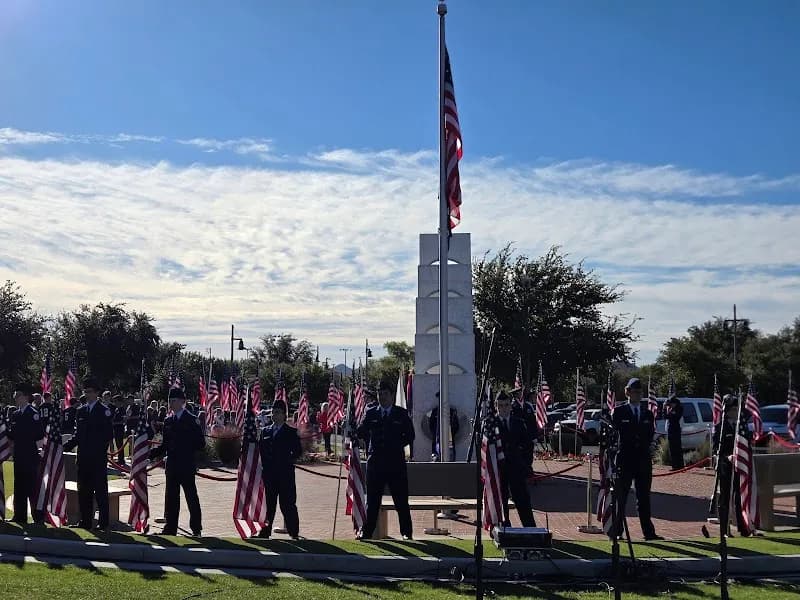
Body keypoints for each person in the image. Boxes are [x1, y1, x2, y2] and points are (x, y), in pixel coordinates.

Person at [356, 385, 415, 540]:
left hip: (395, 463)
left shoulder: (400, 414)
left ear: (392, 395)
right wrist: (350, 427)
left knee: (401, 500)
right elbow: (361, 431)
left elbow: (410, 436)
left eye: (385, 394)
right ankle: (367, 532)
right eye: (380, 394)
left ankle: (406, 533)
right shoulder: (371, 413)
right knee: (373, 501)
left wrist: (394, 445)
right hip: (375, 463)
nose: (382, 397)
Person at [149, 388, 205, 536]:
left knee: (191, 498)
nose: (171, 404)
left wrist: (186, 447)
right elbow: (165, 445)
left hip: (186, 464)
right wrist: (152, 453)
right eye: (170, 401)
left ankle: (196, 529)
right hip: (172, 465)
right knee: (171, 499)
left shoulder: (192, 419)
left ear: (182, 402)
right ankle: (170, 528)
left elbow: (201, 443)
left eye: (174, 401)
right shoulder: (168, 421)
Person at [611, 378, 662, 540]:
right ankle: (617, 531)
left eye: (640, 393)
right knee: (621, 497)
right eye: (634, 392)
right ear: (627, 392)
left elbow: (649, 435)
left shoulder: (647, 413)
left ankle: (649, 533)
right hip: (625, 459)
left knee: (644, 498)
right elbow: (615, 437)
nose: (638, 395)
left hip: (642, 460)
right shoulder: (619, 412)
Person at [63, 378, 114, 531]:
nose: (87, 394)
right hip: (83, 459)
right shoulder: (81, 411)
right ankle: (85, 520)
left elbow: (107, 435)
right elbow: (78, 435)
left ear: (97, 393)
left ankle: (103, 522)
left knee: (100, 492)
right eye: (85, 392)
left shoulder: (104, 411)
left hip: (97, 459)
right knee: (83, 492)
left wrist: (97, 451)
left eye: (90, 392)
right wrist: (64, 446)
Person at [258, 400, 302, 539]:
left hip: (285, 475)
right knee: (269, 505)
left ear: (284, 415)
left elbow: (297, 452)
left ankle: (293, 532)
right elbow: (261, 451)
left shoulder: (291, 432)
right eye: (273, 412)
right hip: (269, 475)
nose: (273, 415)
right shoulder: (265, 431)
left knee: (287, 504)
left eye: (277, 412)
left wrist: (286, 459)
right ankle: (265, 531)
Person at [712, 394, 753, 536]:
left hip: (740, 467)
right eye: (733, 409)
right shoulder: (719, 428)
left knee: (740, 497)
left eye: (737, 409)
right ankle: (725, 529)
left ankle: (743, 528)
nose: (735, 412)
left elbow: (748, 444)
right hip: (726, 467)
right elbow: (716, 449)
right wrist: (727, 457)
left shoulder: (742, 426)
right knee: (725, 499)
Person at [495, 391, 536, 527]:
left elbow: (528, 446)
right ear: (496, 406)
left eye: (506, 405)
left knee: (522, 500)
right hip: (499, 470)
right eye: (500, 405)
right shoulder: (491, 424)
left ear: (510, 406)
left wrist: (526, 465)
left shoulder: (518, 423)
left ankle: (530, 528)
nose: (503, 408)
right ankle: (504, 528)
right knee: (501, 501)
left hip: (517, 469)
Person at [8, 383, 45, 526]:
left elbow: (39, 436)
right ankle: (20, 516)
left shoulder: (33, 413)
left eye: (18, 396)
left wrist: (39, 453)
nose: (15, 399)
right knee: (19, 488)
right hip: (19, 456)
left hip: (31, 457)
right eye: (15, 396)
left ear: (25, 397)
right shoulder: (16, 414)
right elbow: (12, 435)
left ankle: (38, 518)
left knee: (32, 488)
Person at [429, 395, 460, 460]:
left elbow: (456, 426)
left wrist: (451, 434)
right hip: (437, 439)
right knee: (436, 459)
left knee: (450, 458)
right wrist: (435, 433)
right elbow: (431, 425)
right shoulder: (435, 411)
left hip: (449, 440)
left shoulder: (451, 411)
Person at [666, 395, 684, 470]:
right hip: (670, 430)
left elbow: (676, 417)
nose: (671, 405)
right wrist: (665, 409)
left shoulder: (679, 408)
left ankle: (679, 465)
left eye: (672, 403)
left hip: (676, 430)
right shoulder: (670, 409)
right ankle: (674, 465)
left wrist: (671, 413)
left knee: (677, 448)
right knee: (672, 448)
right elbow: (666, 416)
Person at [111, 394, 127, 465]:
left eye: (115, 401)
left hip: (120, 429)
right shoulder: (116, 409)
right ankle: (120, 459)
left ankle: (121, 460)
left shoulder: (122, 409)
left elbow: (124, 421)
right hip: (116, 429)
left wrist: (115, 423)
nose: (114, 403)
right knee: (118, 445)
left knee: (120, 445)